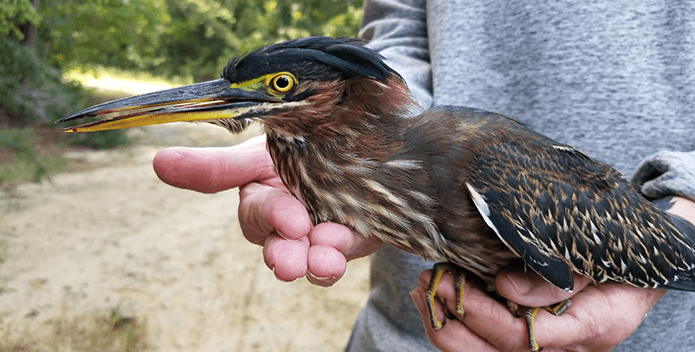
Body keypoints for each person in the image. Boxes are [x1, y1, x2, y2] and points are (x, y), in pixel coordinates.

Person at [152, 0, 695, 350]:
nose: (253, 100)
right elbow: (398, 45)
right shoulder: (320, 146)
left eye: (279, 87)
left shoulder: (495, 169)